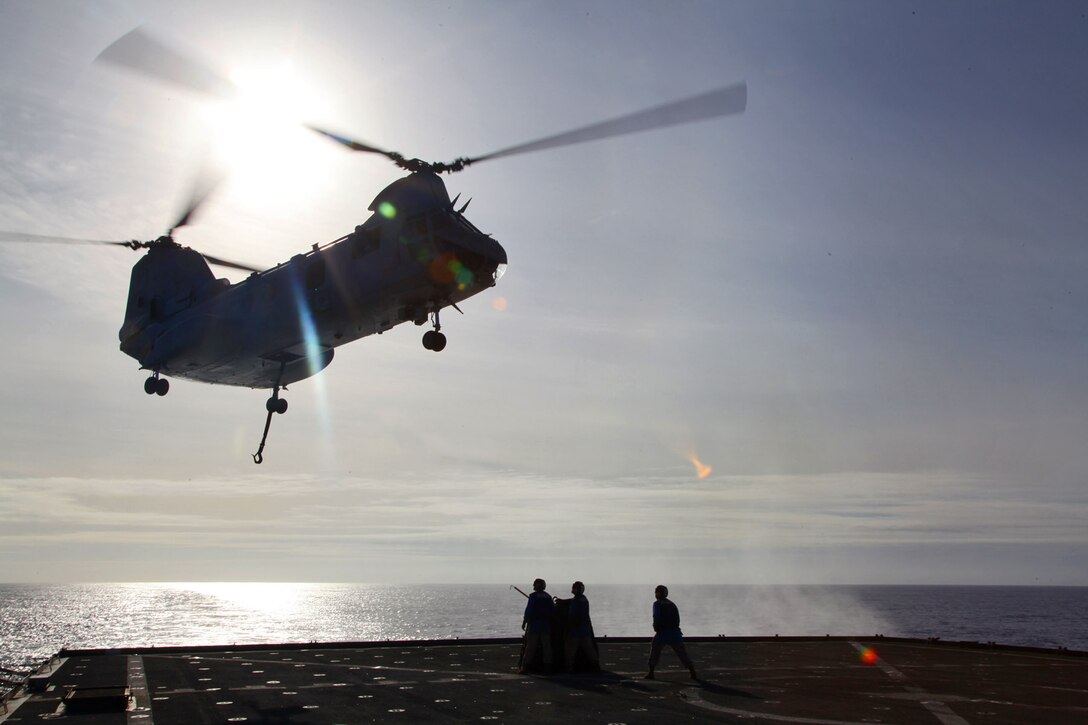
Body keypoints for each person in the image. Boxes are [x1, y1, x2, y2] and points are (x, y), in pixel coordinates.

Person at [645, 584, 698, 680]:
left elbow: (656, 617)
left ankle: (651, 673)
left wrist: (656, 627)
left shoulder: (657, 604)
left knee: (655, 650)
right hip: (675, 633)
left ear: (658, 593)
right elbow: (677, 618)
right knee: (682, 653)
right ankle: (692, 671)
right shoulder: (672, 604)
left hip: (663, 633)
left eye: (656, 592)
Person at [520, 578, 555, 673]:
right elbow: (552, 611)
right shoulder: (548, 597)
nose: (533, 586)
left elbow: (529, 610)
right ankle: (548, 667)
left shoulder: (533, 596)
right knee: (547, 647)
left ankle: (525, 667)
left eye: (535, 584)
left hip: (534, 625)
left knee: (530, 647)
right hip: (545, 626)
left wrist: (525, 621)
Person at [564, 581, 599, 672]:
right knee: (589, 649)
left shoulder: (576, 601)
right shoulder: (584, 599)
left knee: (570, 650)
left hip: (576, 630)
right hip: (585, 630)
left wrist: (569, 627)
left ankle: (569, 668)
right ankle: (595, 666)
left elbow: (573, 615)